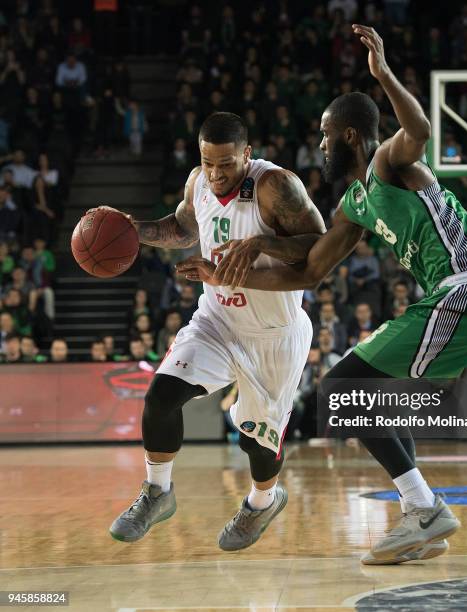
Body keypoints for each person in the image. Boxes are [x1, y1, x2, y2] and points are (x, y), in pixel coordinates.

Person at [180, 26, 467, 565]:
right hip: (462, 302)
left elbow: (420, 127)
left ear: (350, 136)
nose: (320, 144)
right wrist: (231, 274)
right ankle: (423, 516)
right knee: (370, 397)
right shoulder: (357, 204)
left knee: (341, 389)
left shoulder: (388, 163)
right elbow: (309, 271)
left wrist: (383, 76)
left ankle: (422, 508)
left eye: (325, 134)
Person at [102, 112, 325, 550]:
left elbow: (317, 246)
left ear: (247, 153)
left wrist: (262, 244)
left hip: (273, 334)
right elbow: (184, 228)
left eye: (226, 164)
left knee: (255, 444)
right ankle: (157, 492)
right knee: (161, 395)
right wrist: (134, 231)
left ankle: (263, 501)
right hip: (218, 319)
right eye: (208, 162)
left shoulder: (275, 186)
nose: (216, 174)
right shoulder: (198, 181)